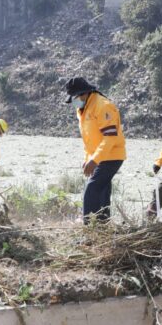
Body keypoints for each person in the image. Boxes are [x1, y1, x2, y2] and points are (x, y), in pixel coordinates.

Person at [65, 76, 126, 224]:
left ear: (84, 93)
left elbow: (110, 137)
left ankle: (88, 225)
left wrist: (94, 160)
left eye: (75, 97)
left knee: (92, 189)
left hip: (112, 155)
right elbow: (90, 140)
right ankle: (102, 223)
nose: (74, 101)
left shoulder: (103, 106)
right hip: (99, 155)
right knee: (102, 190)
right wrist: (88, 159)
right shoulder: (83, 109)